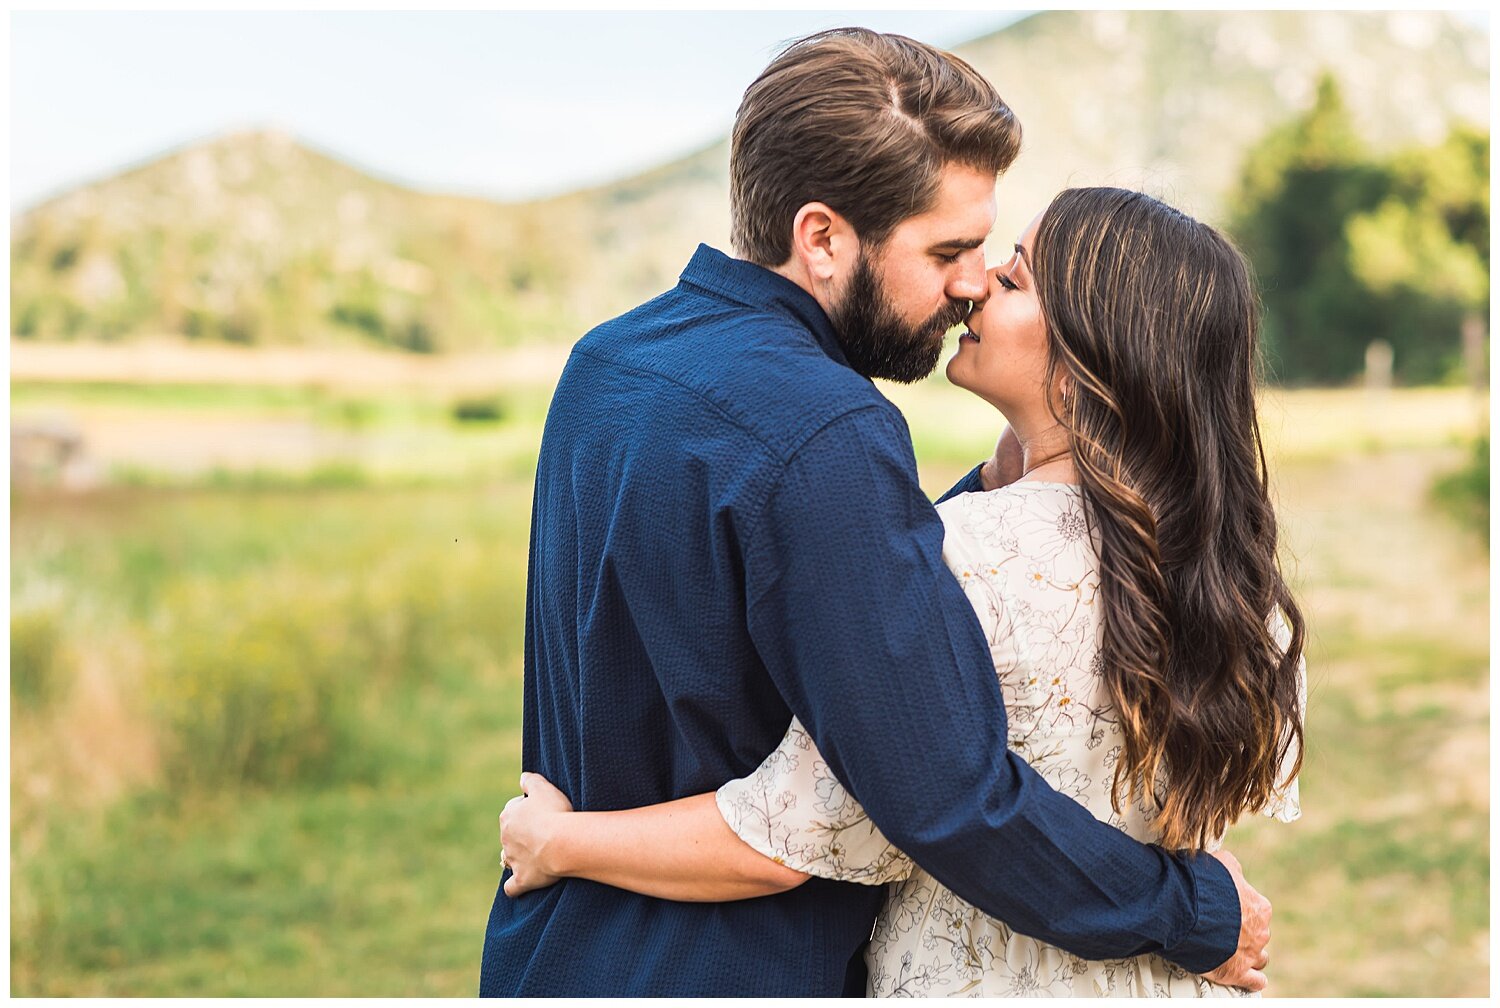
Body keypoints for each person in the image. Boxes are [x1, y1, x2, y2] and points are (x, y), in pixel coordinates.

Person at [479, 28, 1272, 997]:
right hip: (731, 967)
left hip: (556, 952)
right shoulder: (829, 432)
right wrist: (1192, 910)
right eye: (950, 249)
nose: (972, 281)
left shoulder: (606, 363)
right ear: (822, 238)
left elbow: (828, 584)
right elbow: (949, 799)